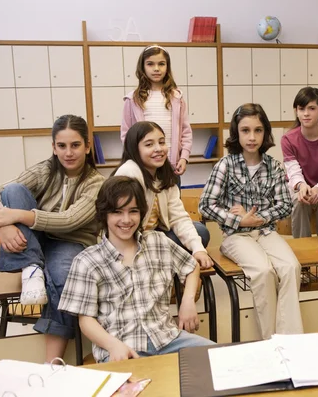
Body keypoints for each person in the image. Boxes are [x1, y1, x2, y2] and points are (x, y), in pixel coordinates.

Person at [0, 114, 105, 361]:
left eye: (75, 145)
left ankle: (53, 363)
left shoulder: (96, 182)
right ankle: (32, 267)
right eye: (61, 146)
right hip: (37, 240)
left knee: (64, 279)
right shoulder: (44, 171)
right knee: (14, 190)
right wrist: (4, 227)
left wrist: (18, 214)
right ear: (53, 147)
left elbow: (70, 220)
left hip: (71, 241)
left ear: (87, 145)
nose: (68, 153)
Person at [59, 176, 214, 363]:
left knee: (221, 360)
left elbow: (191, 267)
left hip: (168, 339)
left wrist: (188, 301)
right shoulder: (87, 261)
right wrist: (112, 345)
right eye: (117, 212)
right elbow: (86, 321)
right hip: (122, 347)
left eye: (133, 211)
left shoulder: (158, 241)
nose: (126, 220)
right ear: (104, 214)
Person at [199, 103, 303, 339]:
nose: (252, 137)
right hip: (235, 236)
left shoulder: (274, 167)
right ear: (236, 133)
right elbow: (205, 205)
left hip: (266, 232)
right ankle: (270, 340)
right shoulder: (225, 166)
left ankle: (291, 341)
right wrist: (238, 221)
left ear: (266, 132)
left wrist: (258, 218)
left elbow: (285, 205)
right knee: (264, 271)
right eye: (245, 130)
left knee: (290, 267)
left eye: (258, 130)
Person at [114, 121, 212, 269]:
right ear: (135, 149)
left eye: (161, 142)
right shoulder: (129, 173)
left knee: (200, 232)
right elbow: (123, 223)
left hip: (155, 236)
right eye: (149, 144)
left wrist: (198, 249)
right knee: (176, 241)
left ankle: (162, 259)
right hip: (130, 239)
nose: (158, 149)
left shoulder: (164, 174)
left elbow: (178, 217)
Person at [281, 87, 318, 284]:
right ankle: (303, 263)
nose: (305, 113)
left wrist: (316, 189)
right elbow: (293, 171)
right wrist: (302, 187)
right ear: (296, 111)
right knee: (299, 202)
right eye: (301, 108)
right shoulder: (288, 139)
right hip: (300, 187)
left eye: (311, 108)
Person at [121, 45, 191, 179]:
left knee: (172, 199)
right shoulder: (132, 99)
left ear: (167, 67)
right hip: (143, 166)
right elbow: (126, 135)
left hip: (171, 166)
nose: (156, 68)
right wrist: (135, 160)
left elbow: (186, 131)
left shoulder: (177, 98)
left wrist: (184, 157)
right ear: (142, 67)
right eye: (150, 64)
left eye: (161, 64)